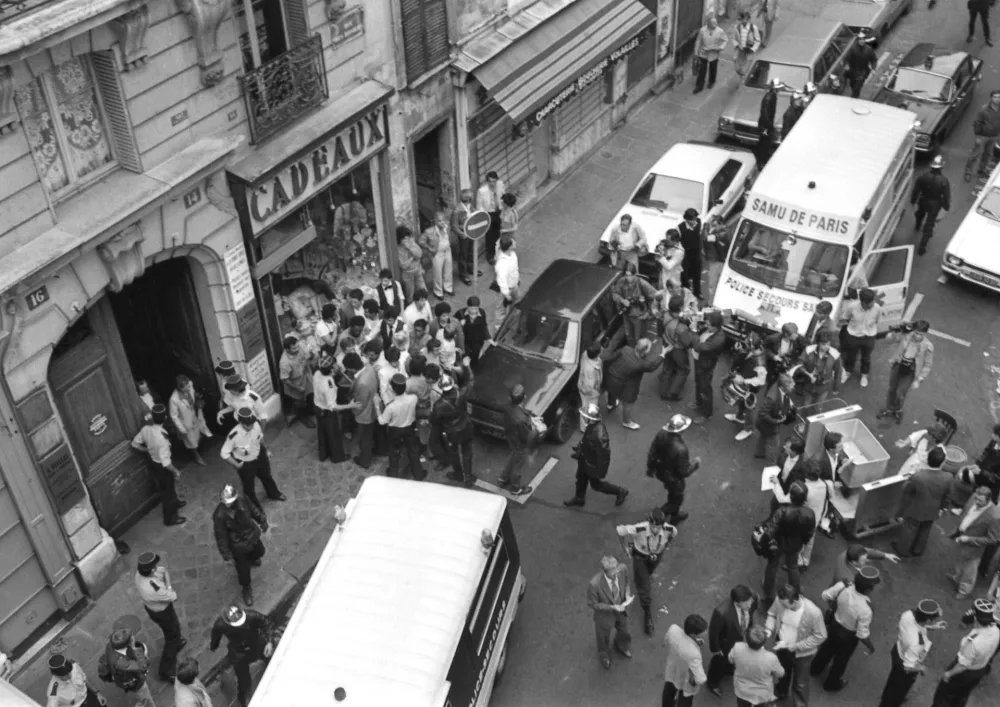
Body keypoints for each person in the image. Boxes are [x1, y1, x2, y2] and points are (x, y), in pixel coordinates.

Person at [813, 565, 880, 691]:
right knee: (841, 661)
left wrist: (834, 606)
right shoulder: (866, 609)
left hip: (834, 625)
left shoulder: (843, 585)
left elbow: (825, 595)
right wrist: (870, 646)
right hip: (848, 637)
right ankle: (831, 684)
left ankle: (815, 669)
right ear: (868, 589)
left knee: (826, 649)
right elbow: (862, 634)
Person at [616, 509, 677, 635]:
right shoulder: (640, 528)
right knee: (645, 586)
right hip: (640, 557)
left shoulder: (670, 529)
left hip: (655, 556)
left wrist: (664, 547)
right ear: (649, 523)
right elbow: (620, 530)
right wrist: (624, 547)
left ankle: (640, 579)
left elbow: (672, 536)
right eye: (653, 526)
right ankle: (647, 612)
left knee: (646, 575)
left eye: (658, 527)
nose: (655, 530)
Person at [764, 584, 827, 705]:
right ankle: (780, 692)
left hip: (802, 653)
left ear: (795, 600)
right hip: (781, 646)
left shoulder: (813, 613)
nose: (781, 606)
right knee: (782, 672)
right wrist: (768, 629)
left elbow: (820, 636)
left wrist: (795, 646)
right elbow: (772, 614)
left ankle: (800, 704)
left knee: (800, 682)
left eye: (785, 605)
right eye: (781, 603)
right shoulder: (780, 600)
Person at [930, 599, 999, 707]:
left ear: (975, 618)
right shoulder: (996, 630)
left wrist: (949, 674)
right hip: (980, 669)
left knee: (944, 694)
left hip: (965, 672)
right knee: (962, 695)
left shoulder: (973, 642)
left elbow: (962, 666)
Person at [878, 600, 946, 707]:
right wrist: (921, 668)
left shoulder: (908, 614)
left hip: (898, 650)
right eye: (934, 619)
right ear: (928, 620)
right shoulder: (917, 643)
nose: (935, 620)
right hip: (905, 663)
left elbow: (917, 625)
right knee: (898, 689)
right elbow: (907, 667)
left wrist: (933, 627)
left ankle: (888, 697)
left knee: (893, 682)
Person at [130, 404, 186, 526]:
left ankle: (176, 502)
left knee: (169, 488)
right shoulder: (162, 440)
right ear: (165, 418)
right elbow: (166, 463)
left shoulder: (146, 429)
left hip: (154, 462)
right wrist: (176, 471)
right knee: (167, 493)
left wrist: (147, 451)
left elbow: (134, 444)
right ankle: (171, 518)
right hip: (162, 466)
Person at [209, 605, 275, 707]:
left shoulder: (252, 615)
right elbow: (215, 635)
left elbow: (266, 623)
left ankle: (274, 670)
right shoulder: (220, 624)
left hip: (256, 642)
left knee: (271, 657)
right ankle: (243, 697)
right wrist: (213, 646)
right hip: (238, 651)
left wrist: (269, 642)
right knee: (243, 680)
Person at [212, 484, 268, 606]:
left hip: (252, 535)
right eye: (225, 502)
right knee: (243, 571)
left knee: (260, 552)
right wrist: (226, 554)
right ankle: (246, 588)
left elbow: (253, 509)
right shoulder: (219, 515)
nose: (227, 504)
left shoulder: (242, 499)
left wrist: (261, 519)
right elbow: (221, 536)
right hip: (238, 546)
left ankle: (252, 559)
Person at [564, 404, 629, 508]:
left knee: (596, 485)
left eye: (584, 415)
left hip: (592, 465)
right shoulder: (591, 426)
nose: (582, 417)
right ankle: (579, 498)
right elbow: (585, 441)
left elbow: (604, 456)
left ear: (590, 418)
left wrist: (600, 471)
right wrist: (579, 451)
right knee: (581, 478)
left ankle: (620, 491)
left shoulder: (600, 435)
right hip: (585, 461)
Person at [893, 447, 952, 558]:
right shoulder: (948, 477)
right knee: (925, 529)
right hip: (934, 509)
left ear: (928, 459)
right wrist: (943, 508)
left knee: (909, 528)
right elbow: (947, 495)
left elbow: (906, 489)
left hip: (916, 508)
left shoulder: (918, 476)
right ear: (942, 463)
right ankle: (918, 550)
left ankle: (902, 550)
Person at [135, 552, 185, 681]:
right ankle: (166, 670)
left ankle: (177, 642)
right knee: (172, 636)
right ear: (151, 570)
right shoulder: (153, 588)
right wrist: (168, 586)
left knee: (171, 631)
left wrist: (165, 580)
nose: (157, 567)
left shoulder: (139, 575)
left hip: (152, 609)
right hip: (163, 612)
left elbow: (162, 571)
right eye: (154, 566)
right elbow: (173, 596)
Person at [221, 408, 285, 509]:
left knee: (267, 476)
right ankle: (255, 508)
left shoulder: (255, 425)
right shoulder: (234, 436)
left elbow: (260, 437)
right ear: (242, 423)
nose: (251, 426)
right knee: (249, 488)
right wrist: (236, 465)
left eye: (252, 423)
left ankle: (274, 493)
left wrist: (266, 450)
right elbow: (224, 453)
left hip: (260, 456)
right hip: (246, 463)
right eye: (248, 425)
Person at [762, 481, 815, 600]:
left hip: (778, 543)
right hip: (795, 544)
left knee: (772, 565)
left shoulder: (782, 511)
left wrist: (766, 544)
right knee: (793, 566)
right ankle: (796, 591)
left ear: (790, 495)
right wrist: (803, 542)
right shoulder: (809, 513)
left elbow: (770, 531)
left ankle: (768, 590)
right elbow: (810, 532)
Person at [706, 585, 759, 697]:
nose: (750, 605)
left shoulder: (752, 598)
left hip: (740, 637)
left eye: (751, 601)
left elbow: (752, 612)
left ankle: (729, 669)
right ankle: (712, 682)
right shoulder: (721, 612)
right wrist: (716, 649)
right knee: (719, 662)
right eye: (747, 603)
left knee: (733, 659)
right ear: (738, 602)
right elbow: (713, 632)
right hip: (726, 643)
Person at [876, 321, 934, 422]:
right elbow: (891, 339)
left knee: (900, 392)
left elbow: (928, 364)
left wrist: (919, 379)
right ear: (913, 330)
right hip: (898, 365)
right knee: (892, 389)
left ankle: (897, 409)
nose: (918, 336)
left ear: (925, 334)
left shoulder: (928, 346)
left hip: (911, 371)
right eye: (916, 332)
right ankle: (889, 408)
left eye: (921, 334)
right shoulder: (906, 336)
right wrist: (895, 332)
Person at [948, 485, 1000, 598]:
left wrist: (969, 539)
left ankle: (964, 591)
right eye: (976, 498)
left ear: (989, 500)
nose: (976, 502)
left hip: (974, 548)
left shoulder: (994, 516)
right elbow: (966, 511)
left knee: (969, 571)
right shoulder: (973, 498)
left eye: (980, 500)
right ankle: (956, 578)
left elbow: (993, 539)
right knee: (959, 560)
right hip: (961, 537)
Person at [648, 414, 700, 524]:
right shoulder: (681, 449)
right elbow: (684, 471)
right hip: (674, 478)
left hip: (661, 471)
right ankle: (657, 517)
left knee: (673, 494)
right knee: (676, 501)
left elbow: (652, 451)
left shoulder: (662, 433)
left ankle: (675, 516)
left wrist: (650, 467)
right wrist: (695, 463)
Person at [605, 337, 663, 429]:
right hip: (623, 384)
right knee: (628, 403)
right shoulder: (641, 364)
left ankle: (610, 404)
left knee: (611, 391)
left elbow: (614, 356)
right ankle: (626, 421)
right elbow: (652, 366)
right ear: (644, 352)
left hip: (611, 375)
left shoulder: (625, 349)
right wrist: (663, 354)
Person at [587, 556, 634, 669]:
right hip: (605, 616)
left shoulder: (622, 569)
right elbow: (592, 604)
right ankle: (604, 654)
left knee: (625, 632)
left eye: (616, 569)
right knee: (603, 638)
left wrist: (627, 594)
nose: (616, 573)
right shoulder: (594, 584)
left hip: (621, 611)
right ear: (605, 572)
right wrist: (612, 607)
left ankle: (621, 646)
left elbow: (626, 582)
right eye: (612, 572)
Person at [377, 373, 424, 480]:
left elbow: (382, 421)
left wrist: (376, 406)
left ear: (393, 390)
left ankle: (393, 474)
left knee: (393, 452)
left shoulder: (391, 407)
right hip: (410, 428)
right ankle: (418, 474)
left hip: (395, 431)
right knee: (413, 451)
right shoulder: (413, 398)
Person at [431, 374, 476, 485]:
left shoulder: (438, 405)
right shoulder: (462, 392)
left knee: (453, 453)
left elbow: (434, 420)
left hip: (451, 432)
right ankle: (468, 477)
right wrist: (467, 367)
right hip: (466, 425)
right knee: (467, 451)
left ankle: (458, 474)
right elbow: (471, 380)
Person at [723, 333, 767, 442]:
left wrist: (744, 380)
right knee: (741, 401)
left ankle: (748, 429)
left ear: (752, 346)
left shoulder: (760, 362)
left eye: (747, 343)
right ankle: (739, 417)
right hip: (743, 383)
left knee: (749, 407)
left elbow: (761, 381)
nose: (744, 344)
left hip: (750, 387)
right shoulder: (751, 351)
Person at [312, 352, 355, 463]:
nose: (336, 367)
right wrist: (350, 405)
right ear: (331, 370)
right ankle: (337, 457)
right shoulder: (329, 385)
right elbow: (333, 407)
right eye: (334, 366)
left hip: (317, 406)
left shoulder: (317, 373)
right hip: (327, 411)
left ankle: (323, 454)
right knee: (334, 434)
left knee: (322, 432)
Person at [97, 628, 152, 707]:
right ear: (127, 644)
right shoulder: (121, 662)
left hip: (122, 678)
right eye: (131, 637)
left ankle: (141, 702)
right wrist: (134, 647)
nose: (133, 637)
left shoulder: (110, 645)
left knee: (141, 696)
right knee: (145, 696)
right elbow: (143, 667)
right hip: (135, 682)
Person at [838, 288, 881, 388]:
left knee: (866, 358)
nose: (873, 303)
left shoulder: (877, 308)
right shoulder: (852, 307)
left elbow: (878, 320)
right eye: (871, 302)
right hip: (853, 335)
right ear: (863, 302)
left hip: (869, 336)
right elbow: (845, 318)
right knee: (850, 356)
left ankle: (864, 375)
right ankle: (848, 372)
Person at [611, 261, 661, 346]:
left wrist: (649, 313)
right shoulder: (622, 281)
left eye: (630, 275)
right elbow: (615, 294)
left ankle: (638, 352)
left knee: (639, 337)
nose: (628, 278)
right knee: (628, 334)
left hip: (639, 316)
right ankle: (630, 350)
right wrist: (622, 300)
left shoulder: (642, 284)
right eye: (626, 275)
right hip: (626, 314)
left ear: (635, 274)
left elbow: (656, 296)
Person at [662, 615, 708, 706]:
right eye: (703, 631)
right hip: (684, 678)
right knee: (685, 700)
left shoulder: (673, 629)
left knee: (668, 691)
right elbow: (701, 678)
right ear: (694, 634)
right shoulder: (694, 654)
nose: (706, 633)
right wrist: (693, 680)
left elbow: (667, 640)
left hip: (672, 669)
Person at [498, 384, 535, 496]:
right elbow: (526, 436)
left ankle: (503, 478)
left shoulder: (508, 406)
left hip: (511, 437)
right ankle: (515, 489)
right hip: (520, 443)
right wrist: (533, 427)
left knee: (514, 455)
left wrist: (529, 416)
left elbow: (518, 411)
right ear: (524, 397)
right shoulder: (522, 420)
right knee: (518, 466)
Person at [690, 311, 726, 423]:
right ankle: (699, 401)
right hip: (699, 361)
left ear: (716, 326)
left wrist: (694, 331)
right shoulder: (709, 329)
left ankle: (707, 414)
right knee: (698, 382)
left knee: (705, 389)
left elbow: (698, 347)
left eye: (709, 324)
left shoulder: (718, 339)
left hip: (706, 366)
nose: (706, 325)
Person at [951, 423, 1000, 507]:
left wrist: (981, 472)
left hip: (990, 482)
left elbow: (996, 478)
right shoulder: (994, 441)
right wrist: (977, 464)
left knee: (983, 502)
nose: (992, 435)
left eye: (995, 434)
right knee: (966, 477)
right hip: (981, 470)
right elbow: (985, 453)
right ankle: (963, 504)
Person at [168, 374, 211, 466]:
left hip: (194, 416)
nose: (189, 388)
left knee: (198, 435)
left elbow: (194, 395)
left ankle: (196, 450)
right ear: (180, 388)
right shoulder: (174, 399)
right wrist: (181, 428)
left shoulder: (190, 385)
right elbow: (174, 416)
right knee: (191, 442)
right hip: (185, 423)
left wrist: (198, 402)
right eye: (186, 388)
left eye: (189, 386)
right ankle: (196, 455)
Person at [658, 294, 694, 401]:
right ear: (680, 308)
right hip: (677, 350)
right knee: (683, 370)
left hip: (666, 344)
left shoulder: (664, 314)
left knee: (667, 368)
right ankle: (673, 393)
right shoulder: (681, 327)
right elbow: (688, 342)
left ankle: (663, 392)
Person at [913, 157, 952, 256]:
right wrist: (946, 207)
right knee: (929, 224)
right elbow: (946, 196)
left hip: (923, 199)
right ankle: (922, 246)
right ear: (941, 167)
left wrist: (913, 200)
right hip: (935, 203)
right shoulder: (944, 181)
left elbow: (916, 189)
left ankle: (917, 225)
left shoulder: (923, 176)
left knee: (920, 213)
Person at [754, 374, 796, 463]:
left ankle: (759, 452)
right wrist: (777, 421)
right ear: (784, 386)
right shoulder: (772, 398)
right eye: (790, 386)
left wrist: (787, 403)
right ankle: (772, 464)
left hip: (763, 425)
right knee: (774, 445)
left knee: (763, 436)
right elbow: (762, 413)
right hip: (769, 425)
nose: (792, 388)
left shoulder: (777, 388)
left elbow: (782, 398)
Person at [798, 459, 831, 569]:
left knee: (799, 542)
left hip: (804, 520)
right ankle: (806, 561)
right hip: (816, 518)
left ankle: (798, 561)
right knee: (809, 542)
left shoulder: (805, 489)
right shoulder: (823, 484)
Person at [278, 335, 315, 429]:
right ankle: (304, 418)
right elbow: (284, 379)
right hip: (296, 385)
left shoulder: (300, 346)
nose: (297, 348)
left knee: (311, 395)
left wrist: (309, 355)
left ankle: (311, 411)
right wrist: (298, 388)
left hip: (307, 377)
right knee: (300, 403)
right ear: (287, 349)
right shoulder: (284, 362)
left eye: (297, 346)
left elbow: (310, 354)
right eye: (294, 348)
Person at [798, 329, 842, 405]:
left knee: (818, 408)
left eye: (828, 344)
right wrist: (808, 374)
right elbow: (799, 365)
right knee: (806, 404)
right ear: (818, 343)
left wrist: (836, 387)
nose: (826, 347)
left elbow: (838, 372)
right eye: (824, 344)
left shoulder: (835, 355)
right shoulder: (808, 350)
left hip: (823, 387)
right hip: (808, 385)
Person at [966, 90, 1000, 182]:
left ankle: (982, 169)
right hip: (983, 136)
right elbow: (977, 123)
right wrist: (977, 137)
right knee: (975, 154)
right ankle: (968, 171)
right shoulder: (984, 109)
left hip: (994, 136)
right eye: (995, 97)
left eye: (999, 97)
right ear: (991, 98)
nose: (997, 99)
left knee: (987, 154)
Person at [421, 211, 454, 299]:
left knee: (448, 270)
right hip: (437, 253)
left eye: (443, 220)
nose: (442, 222)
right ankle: (438, 292)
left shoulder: (447, 227)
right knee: (437, 273)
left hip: (447, 250)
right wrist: (429, 248)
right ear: (435, 221)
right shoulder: (429, 231)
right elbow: (421, 241)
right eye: (439, 220)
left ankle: (448, 288)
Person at [832, 543, 901, 586]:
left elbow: (867, 551)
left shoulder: (848, 553)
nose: (867, 560)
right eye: (863, 560)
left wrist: (886, 555)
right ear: (854, 562)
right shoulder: (849, 579)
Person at [694, 13, 729, 94]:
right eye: (713, 23)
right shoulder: (702, 30)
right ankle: (699, 85)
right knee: (702, 69)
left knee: (713, 69)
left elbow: (726, 39)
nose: (715, 24)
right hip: (704, 53)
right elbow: (698, 41)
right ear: (708, 23)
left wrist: (720, 47)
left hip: (714, 53)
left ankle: (711, 82)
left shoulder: (720, 31)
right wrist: (696, 52)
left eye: (716, 22)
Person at [763, 322, 804, 391]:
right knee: (770, 384)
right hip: (772, 366)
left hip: (784, 366)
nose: (797, 336)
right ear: (786, 334)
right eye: (794, 334)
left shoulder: (795, 341)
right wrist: (773, 356)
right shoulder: (773, 339)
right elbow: (764, 349)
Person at [451, 188, 478, 286]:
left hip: (472, 233)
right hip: (464, 235)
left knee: (471, 252)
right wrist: (463, 235)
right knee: (463, 255)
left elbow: (474, 215)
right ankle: (464, 274)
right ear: (469, 199)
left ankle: (471, 269)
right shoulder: (456, 211)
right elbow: (454, 227)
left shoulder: (470, 206)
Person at [476, 171, 504, 263]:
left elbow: (503, 197)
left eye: (494, 181)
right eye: (490, 181)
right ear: (487, 181)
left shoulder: (500, 185)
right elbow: (479, 206)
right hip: (488, 214)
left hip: (498, 212)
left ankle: (499, 251)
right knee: (490, 236)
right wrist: (484, 217)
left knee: (499, 233)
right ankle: (490, 255)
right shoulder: (481, 191)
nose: (492, 183)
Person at [455, 296, 491, 368]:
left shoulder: (482, 312)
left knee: (475, 356)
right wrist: (460, 324)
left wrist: (488, 337)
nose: (473, 311)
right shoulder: (460, 313)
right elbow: (452, 326)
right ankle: (466, 371)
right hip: (465, 341)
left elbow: (484, 326)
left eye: (475, 309)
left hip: (477, 340)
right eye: (471, 308)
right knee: (465, 358)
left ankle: (474, 368)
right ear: (468, 306)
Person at [494, 235, 520, 329]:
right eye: (513, 242)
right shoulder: (502, 263)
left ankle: (512, 324)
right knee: (501, 310)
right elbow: (501, 279)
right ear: (509, 247)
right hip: (505, 290)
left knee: (516, 305)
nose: (515, 242)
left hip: (514, 285)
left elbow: (515, 269)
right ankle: (499, 329)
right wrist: (506, 293)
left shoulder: (512, 254)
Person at [396, 224, 427, 301]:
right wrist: (412, 258)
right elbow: (403, 265)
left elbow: (419, 254)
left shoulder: (411, 243)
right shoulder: (398, 249)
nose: (407, 239)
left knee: (423, 290)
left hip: (417, 271)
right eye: (404, 238)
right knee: (410, 295)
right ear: (400, 239)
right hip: (407, 275)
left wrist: (409, 248)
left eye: (408, 237)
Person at [577, 343, 603, 431]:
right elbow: (589, 386)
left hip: (584, 386)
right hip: (589, 391)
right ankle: (586, 427)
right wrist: (595, 394)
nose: (602, 349)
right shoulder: (591, 370)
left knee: (586, 405)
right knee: (589, 407)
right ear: (597, 354)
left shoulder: (585, 354)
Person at [678, 209, 703, 299]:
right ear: (686, 219)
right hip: (686, 253)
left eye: (694, 219)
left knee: (697, 273)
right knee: (685, 274)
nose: (693, 221)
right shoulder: (680, 227)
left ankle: (697, 292)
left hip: (696, 253)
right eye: (691, 220)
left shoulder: (698, 222)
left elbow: (697, 232)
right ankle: (686, 292)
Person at [846, 29, 877, 98]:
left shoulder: (869, 50)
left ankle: (854, 98)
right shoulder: (853, 49)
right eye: (860, 39)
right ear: (857, 40)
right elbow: (848, 58)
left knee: (858, 86)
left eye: (863, 39)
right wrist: (847, 65)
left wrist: (873, 69)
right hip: (853, 71)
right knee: (853, 84)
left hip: (863, 71)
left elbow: (874, 60)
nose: (862, 41)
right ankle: (855, 94)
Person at [757, 78, 781, 164]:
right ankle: (761, 162)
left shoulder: (772, 96)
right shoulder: (769, 98)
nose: (779, 89)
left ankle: (762, 160)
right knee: (764, 145)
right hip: (765, 126)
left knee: (765, 144)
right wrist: (769, 127)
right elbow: (765, 114)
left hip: (766, 124)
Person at [655, 229, 685, 298]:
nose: (666, 242)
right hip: (662, 274)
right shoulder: (666, 244)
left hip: (672, 277)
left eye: (668, 240)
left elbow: (669, 267)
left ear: (675, 241)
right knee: (660, 294)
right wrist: (658, 248)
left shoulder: (680, 252)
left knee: (670, 296)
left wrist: (660, 256)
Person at [732, 11, 761, 78]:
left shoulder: (753, 28)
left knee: (745, 70)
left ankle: (742, 81)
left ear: (749, 19)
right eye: (743, 19)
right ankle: (740, 78)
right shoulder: (737, 27)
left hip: (749, 52)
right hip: (740, 52)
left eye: (746, 19)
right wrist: (737, 45)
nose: (744, 21)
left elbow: (757, 40)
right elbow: (733, 38)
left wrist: (753, 49)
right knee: (738, 69)